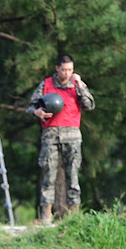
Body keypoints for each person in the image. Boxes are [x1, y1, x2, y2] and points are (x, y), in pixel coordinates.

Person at [27, 54, 95, 224]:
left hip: (72, 136)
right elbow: (31, 106)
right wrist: (37, 112)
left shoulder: (76, 84)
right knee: (49, 175)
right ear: (57, 68)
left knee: (73, 176)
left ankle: (74, 214)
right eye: (64, 70)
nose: (67, 73)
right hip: (50, 136)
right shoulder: (46, 84)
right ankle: (46, 214)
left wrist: (79, 84)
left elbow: (89, 105)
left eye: (70, 70)